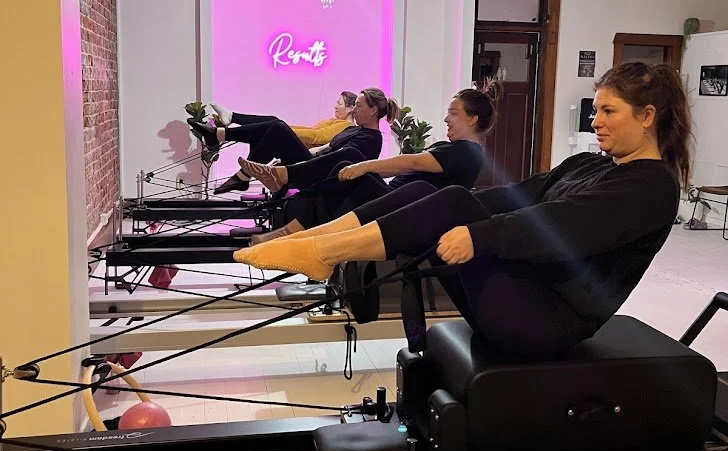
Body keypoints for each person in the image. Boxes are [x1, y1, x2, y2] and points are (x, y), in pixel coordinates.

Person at [234, 62, 689, 355]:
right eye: (597, 110)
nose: (596, 120)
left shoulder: (651, 187)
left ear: (646, 116)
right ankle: (318, 244)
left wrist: (478, 233)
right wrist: (463, 214)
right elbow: (516, 197)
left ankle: (325, 251)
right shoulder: (589, 163)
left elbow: (562, 226)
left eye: (608, 111)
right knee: (442, 198)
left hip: (549, 323)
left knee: (449, 201)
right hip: (524, 295)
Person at [243, 87, 495, 243]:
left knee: (351, 157)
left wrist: (365, 167)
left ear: (472, 119)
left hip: (398, 209)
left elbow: (412, 162)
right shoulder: (461, 149)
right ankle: (294, 222)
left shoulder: (466, 152)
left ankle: (287, 184)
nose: (446, 119)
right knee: (343, 164)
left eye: (453, 113)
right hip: (393, 200)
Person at [188, 89, 394, 194]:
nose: (355, 110)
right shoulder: (357, 130)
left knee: (277, 127)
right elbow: (324, 147)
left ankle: (221, 136)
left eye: (358, 106)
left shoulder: (370, 140)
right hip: (314, 167)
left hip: (319, 177)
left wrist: (296, 154)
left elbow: (337, 161)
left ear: (373, 110)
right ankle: (233, 159)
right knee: (276, 127)